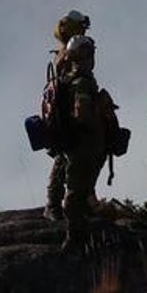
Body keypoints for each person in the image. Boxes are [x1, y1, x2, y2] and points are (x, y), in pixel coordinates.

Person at [50, 34, 123, 247]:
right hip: (84, 146)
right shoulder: (82, 82)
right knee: (76, 194)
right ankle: (75, 243)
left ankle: (81, 237)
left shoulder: (67, 78)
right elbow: (82, 113)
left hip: (75, 145)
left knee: (80, 191)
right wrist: (100, 112)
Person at [44, 10, 91, 220]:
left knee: (68, 157)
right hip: (70, 113)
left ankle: (63, 203)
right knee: (66, 158)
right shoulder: (70, 52)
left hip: (66, 112)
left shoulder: (63, 51)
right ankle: (55, 205)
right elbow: (76, 78)